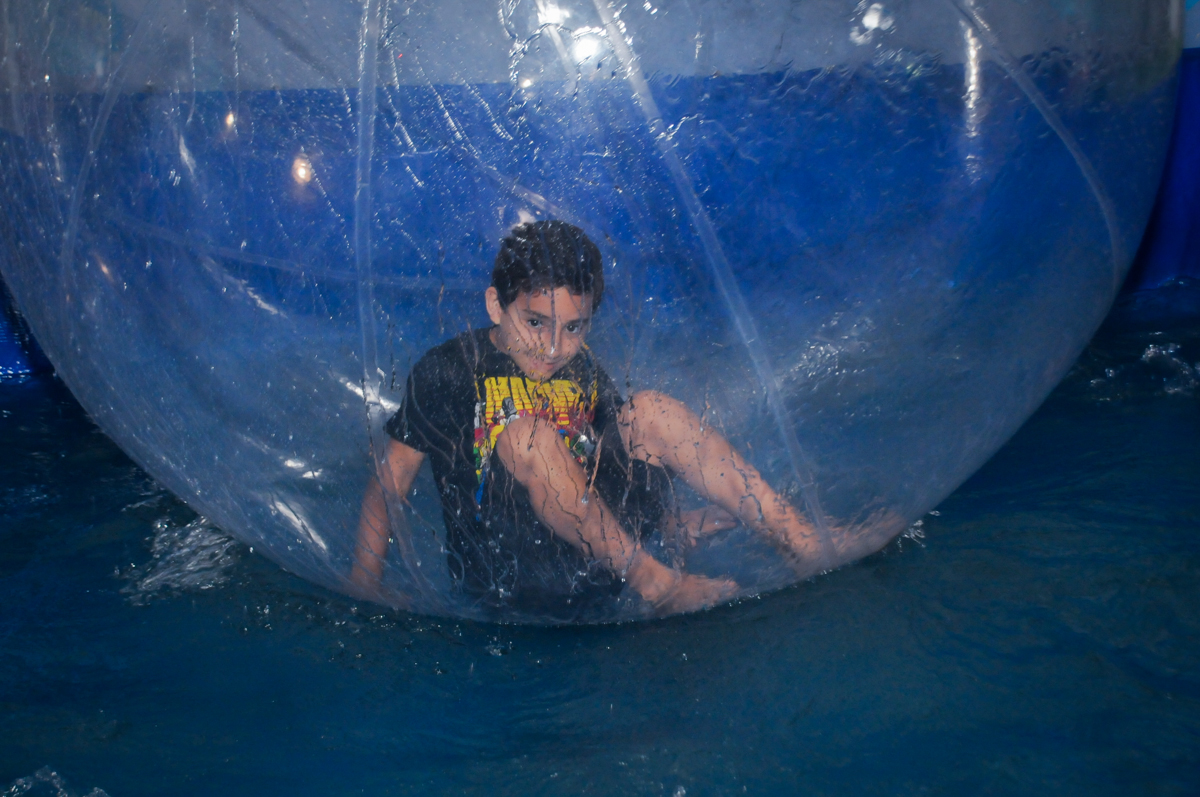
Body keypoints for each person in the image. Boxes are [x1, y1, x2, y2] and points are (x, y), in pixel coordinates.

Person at [352, 220, 822, 621]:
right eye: (535, 323)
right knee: (528, 436)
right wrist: (365, 584)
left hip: (594, 562)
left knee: (648, 410)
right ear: (496, 305)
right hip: (512, 580)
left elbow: (615, 456)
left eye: (573, 327)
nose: (554, 348)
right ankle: (658, 585)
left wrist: (669, 519)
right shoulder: (449, 370)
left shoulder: (580, 367)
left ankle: (800, 538)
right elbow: (389, 482)